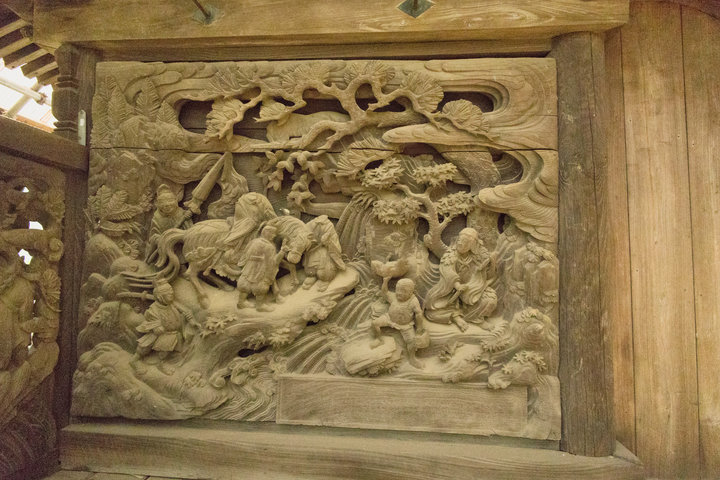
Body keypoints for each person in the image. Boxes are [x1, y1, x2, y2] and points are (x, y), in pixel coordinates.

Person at [424, 227, 497, 331]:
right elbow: (448, 271)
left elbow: (487, 276)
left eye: (465, 242)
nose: (460, 243)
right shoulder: (450, 255)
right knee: (432, 311)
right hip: (451, 291)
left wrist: (492, 264)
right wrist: (457, 285)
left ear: (472, 245)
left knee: (490, 300)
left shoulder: (480, 256)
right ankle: (456, 317)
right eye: (460, 240)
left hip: (472, 290)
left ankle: (477, 319)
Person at [135, 279, 197, 374]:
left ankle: (162, 362)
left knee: (171, 348)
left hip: (174, 333)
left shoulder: (172, 305)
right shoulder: (153, 309)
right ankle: (135, 361)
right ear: (160, 297)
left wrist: (190, 318)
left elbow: (185, 311)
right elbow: (151, 319)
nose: (172, 294)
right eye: (168, 293)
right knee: (144, 348)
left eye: (172, 292)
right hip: (160, 334)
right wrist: (157, 327)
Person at [370, 277, 426, 369]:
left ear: (410, 292)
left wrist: (419, 327)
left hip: (405, 325)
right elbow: (384, 292)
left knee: (412, 341)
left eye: (403, 291)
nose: (399, 293)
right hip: (389, 319)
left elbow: (418, 314)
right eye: (398, 290)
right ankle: (378, 339)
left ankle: (412, 358)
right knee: (375, 323)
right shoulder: (394, 297)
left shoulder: (413, 301)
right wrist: (385, 281)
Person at [236, 225, 287, 312]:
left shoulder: (253, 242)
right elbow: (274, 262)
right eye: (272, 233)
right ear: (266, 233)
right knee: (261, 286)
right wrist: (282, 252)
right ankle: (260, 305)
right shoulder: (269, 246)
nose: (274, 236)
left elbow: (245, 255)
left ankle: (241, 302)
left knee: (245, 283)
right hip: (261, 270)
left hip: (249, 268)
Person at [145, 184, 193, 262]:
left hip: (180, 246)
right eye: (162, 202)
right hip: (164, 249)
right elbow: (152, 238)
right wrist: (161, 240)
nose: (167, 204)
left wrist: (187, 219)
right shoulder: (157, 218)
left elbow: (191, 233)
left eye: (170, 200)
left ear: (176, 200)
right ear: (157, 204)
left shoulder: (182, 214)